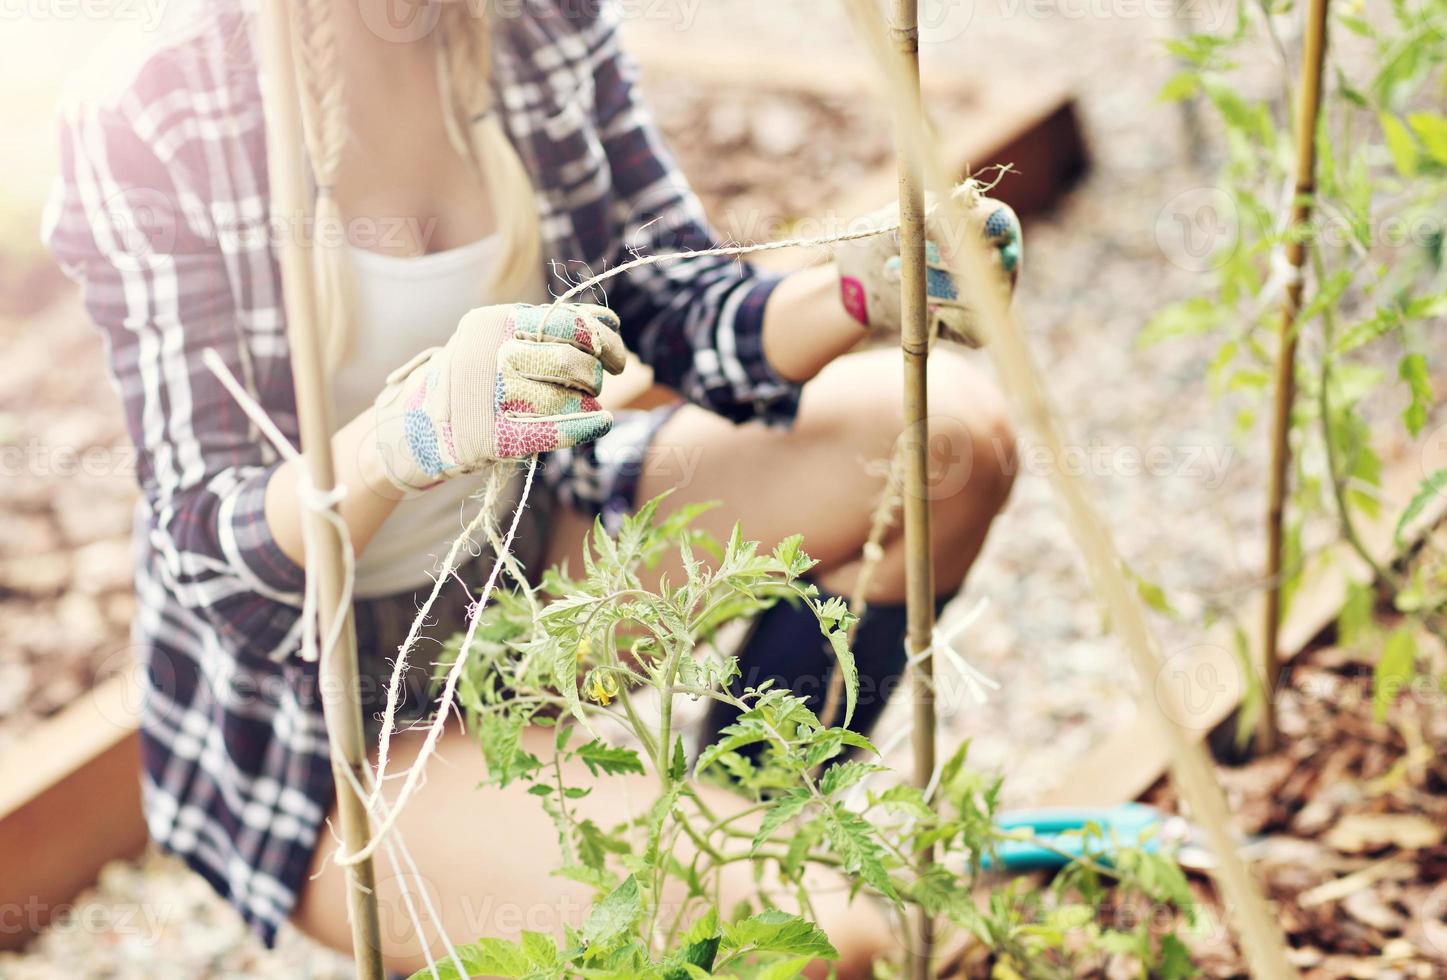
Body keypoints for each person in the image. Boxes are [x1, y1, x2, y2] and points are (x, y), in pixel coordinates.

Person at [44, 0, 1020, 973]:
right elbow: (210, 546)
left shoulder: (538, 19)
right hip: (329, 707)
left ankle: (733, 837)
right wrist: (408, 434)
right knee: (830, 944)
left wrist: (855, 290)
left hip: (517, 577)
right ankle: (702, 913)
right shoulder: (159, 103)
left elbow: (677, 305)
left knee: (944, 442)